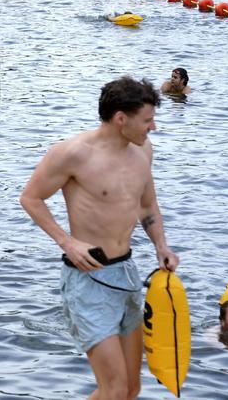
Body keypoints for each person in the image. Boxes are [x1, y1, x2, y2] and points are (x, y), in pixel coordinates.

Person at [19, 76, 179, 400]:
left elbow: (147, 204)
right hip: (88, 278)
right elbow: (30, 198)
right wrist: (67, 241)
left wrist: (161, 246)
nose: (153, 128)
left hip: (127, 274)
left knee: (131, 389)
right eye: (147, 120)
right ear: (121, 119)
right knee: (114, 388)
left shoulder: (142, 151)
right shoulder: (72, 154)